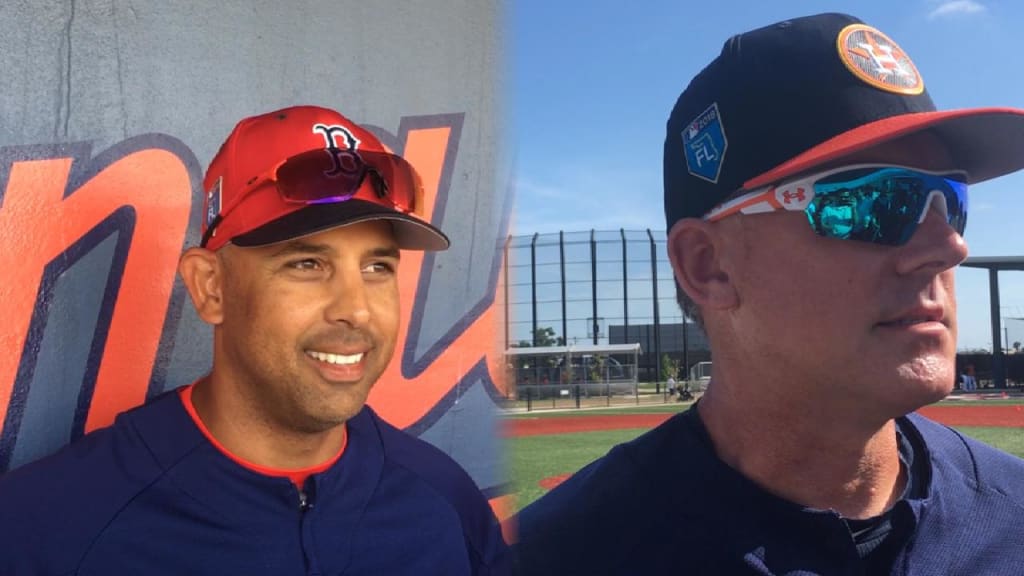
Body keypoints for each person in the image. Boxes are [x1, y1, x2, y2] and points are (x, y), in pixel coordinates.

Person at [513, 13, 1024, 575]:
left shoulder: (1013, 515)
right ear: (709, 267)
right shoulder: (555, 557)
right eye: (874, 202)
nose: (949, 246)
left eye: (950, 200)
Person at [0, 105, 508, 575]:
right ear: (211, 286)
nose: (356, 308)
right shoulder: (45, 527)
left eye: (377, 267)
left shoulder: (443, 498)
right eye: (306, 264)